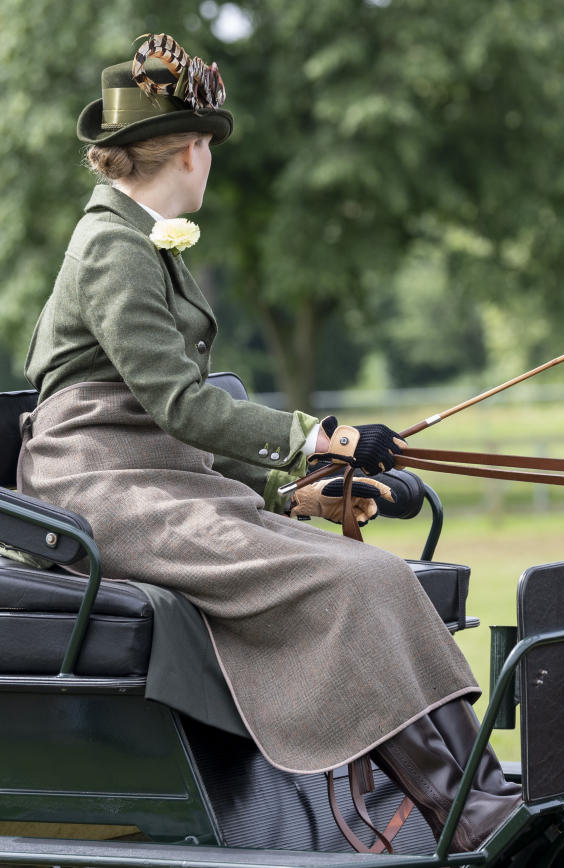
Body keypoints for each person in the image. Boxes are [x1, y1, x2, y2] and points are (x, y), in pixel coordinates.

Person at [17, 36, 520, 852]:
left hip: (161, 476)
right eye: (208, 145)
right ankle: (466, 814)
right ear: (189, 148)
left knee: (378, 571)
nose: (210, 160)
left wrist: (299, 491)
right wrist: (321, 437)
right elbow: (179, 403)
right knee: (346, 579)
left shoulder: (141, 237)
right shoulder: (111, 245)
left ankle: (478, 795)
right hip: (102, 488)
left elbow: (178, 421)